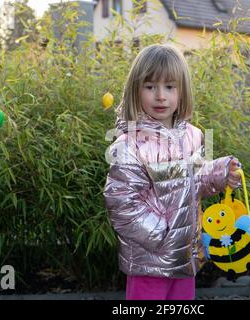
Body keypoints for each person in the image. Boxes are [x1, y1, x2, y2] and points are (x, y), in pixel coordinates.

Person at [103, 44, 241, 300]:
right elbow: (121, 204)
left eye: (169, 86)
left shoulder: (193, 135)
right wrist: (163, 234)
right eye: (150, 86)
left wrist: (222, 172)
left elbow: (197, 177)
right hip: (149, 261)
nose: (160, 96)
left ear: (182, 91)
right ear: (136, 90)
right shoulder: (129, 144)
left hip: (185, 259)